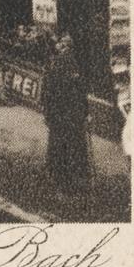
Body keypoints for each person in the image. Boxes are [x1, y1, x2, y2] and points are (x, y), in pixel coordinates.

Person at [41, 32, 94, 206]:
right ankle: (72, 182)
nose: (61, 47)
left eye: (64, 44)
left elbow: (48, 92)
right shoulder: (70, 64)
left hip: (63, 114)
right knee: (72, 148)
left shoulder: (57, 64)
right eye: (61, 44)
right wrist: (85, 112)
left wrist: (48, 113)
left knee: (62, 148)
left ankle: (64, 183)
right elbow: (80, 92)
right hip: (68, 115)